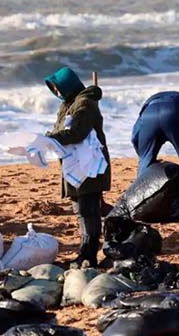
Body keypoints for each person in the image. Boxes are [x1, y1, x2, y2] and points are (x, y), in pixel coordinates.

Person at [44, 67, 111, 267]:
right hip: (75, 165)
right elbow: (61, 130)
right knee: (80, 209)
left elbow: (76, 133)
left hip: (88, 165)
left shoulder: (85, 104)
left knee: (88, 211)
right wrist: (48, 139)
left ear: (67, 85)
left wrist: (49, 139)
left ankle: (88, 255)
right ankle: (85, 253)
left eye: (57, 88)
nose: (56, 92)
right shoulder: (68, 104)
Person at [131, 91, 179, 208]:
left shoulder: (148, 101)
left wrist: (143, 154)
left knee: (145, 161)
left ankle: (138, 205)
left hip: (149, 115)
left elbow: (134, 137)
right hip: (176, 112)